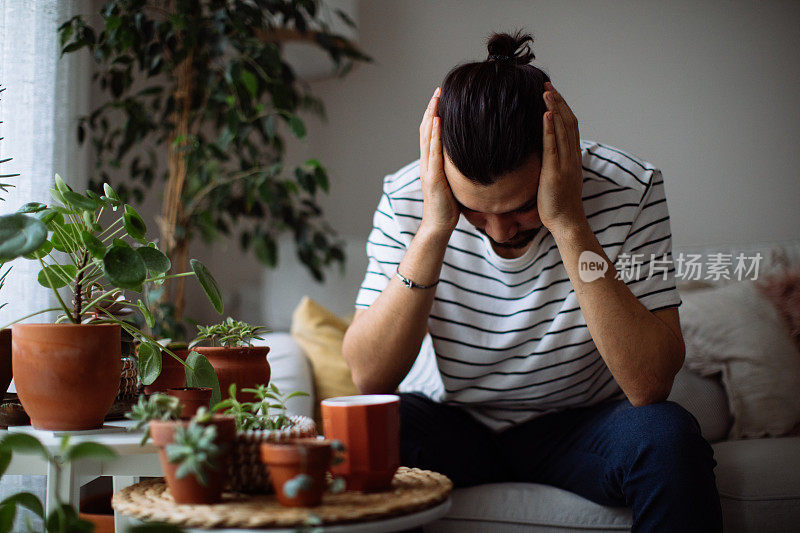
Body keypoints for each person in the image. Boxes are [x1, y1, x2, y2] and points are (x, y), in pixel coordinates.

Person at [342, 31, 723, 532]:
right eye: (475, 211)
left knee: (667, 435)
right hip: (451, 423)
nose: (500, 231)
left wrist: (567, 221)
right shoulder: (409, 195)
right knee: (356, 431)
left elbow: (649, 384)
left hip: (578, 426)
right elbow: (368, 377)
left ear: (557, 155)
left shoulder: (631, 188)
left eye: (522, 208)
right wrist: (436, 227)